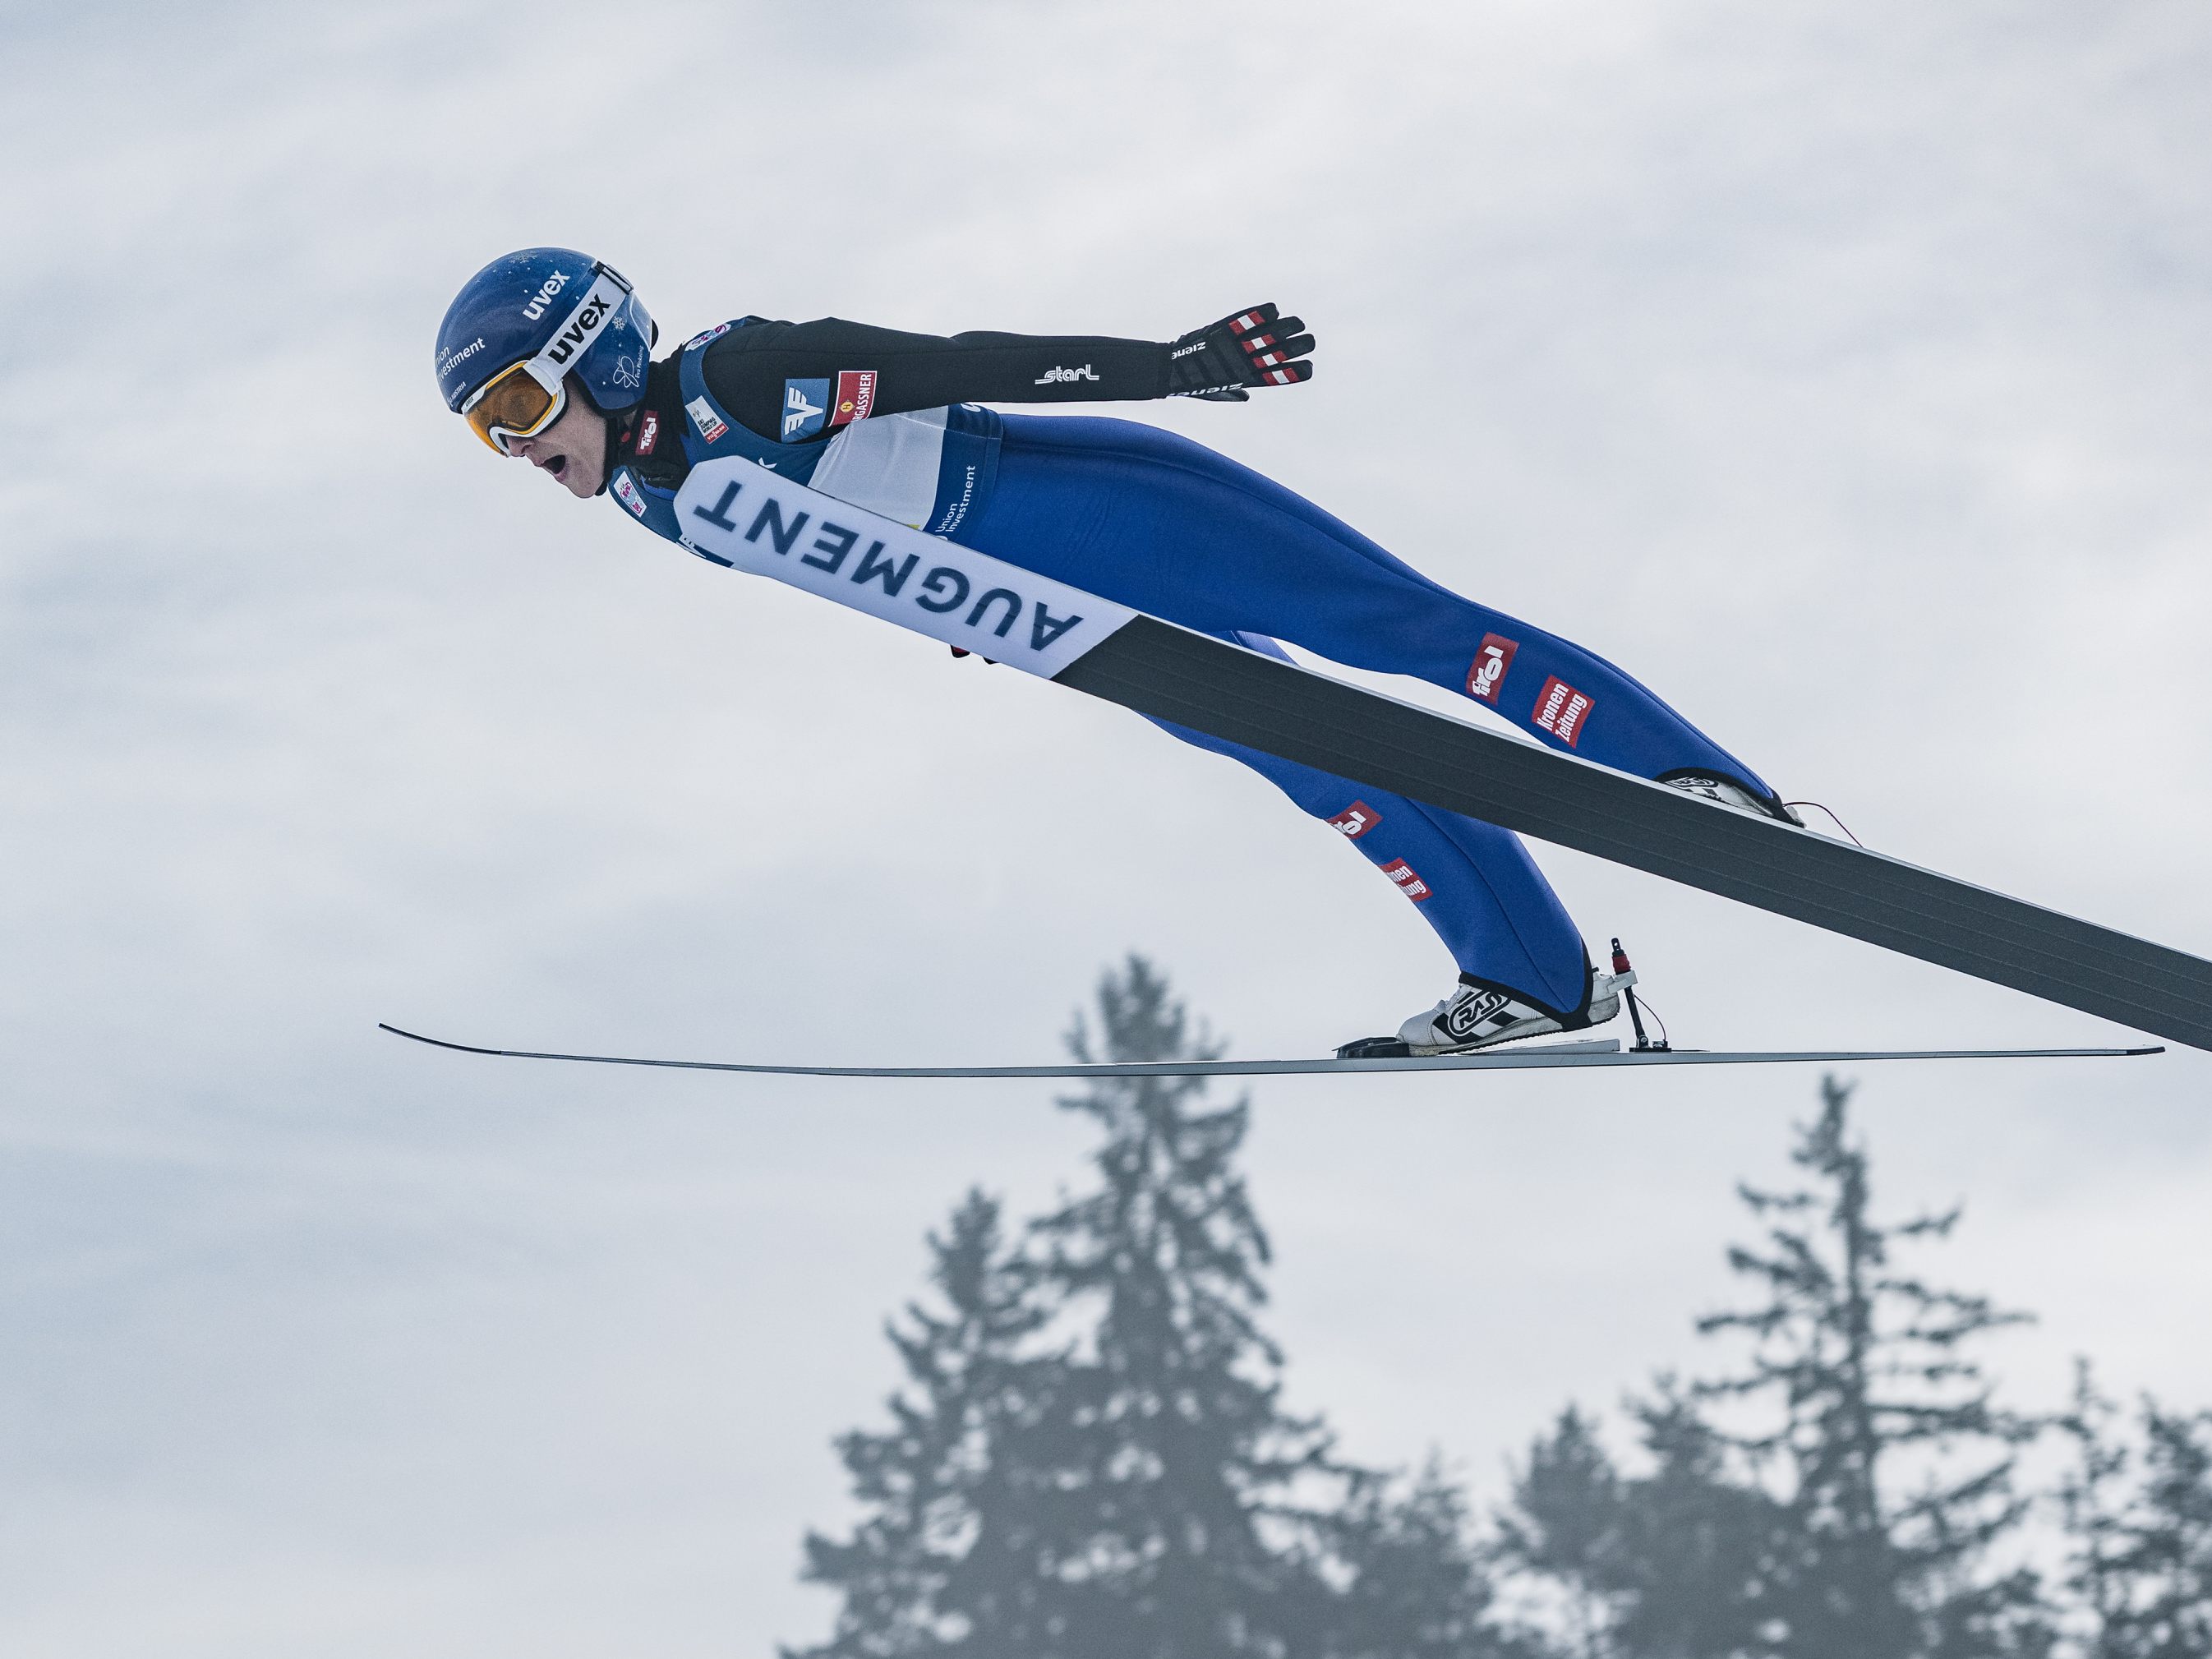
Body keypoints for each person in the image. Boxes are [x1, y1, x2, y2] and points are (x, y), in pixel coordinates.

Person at [435, 247, 1795, 1055]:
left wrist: (1169, 361)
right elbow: (851, 562)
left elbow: (956, 362)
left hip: (1123, 513)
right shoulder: (655, 501)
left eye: (515, 402)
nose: (515, 446)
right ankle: (1536, 978)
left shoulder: (738, 381)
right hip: (1068, 620)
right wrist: (965, 615)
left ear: (590, 351)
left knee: (1408, 637)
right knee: (1323, 762)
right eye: (485, 429)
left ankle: (1700, 785)